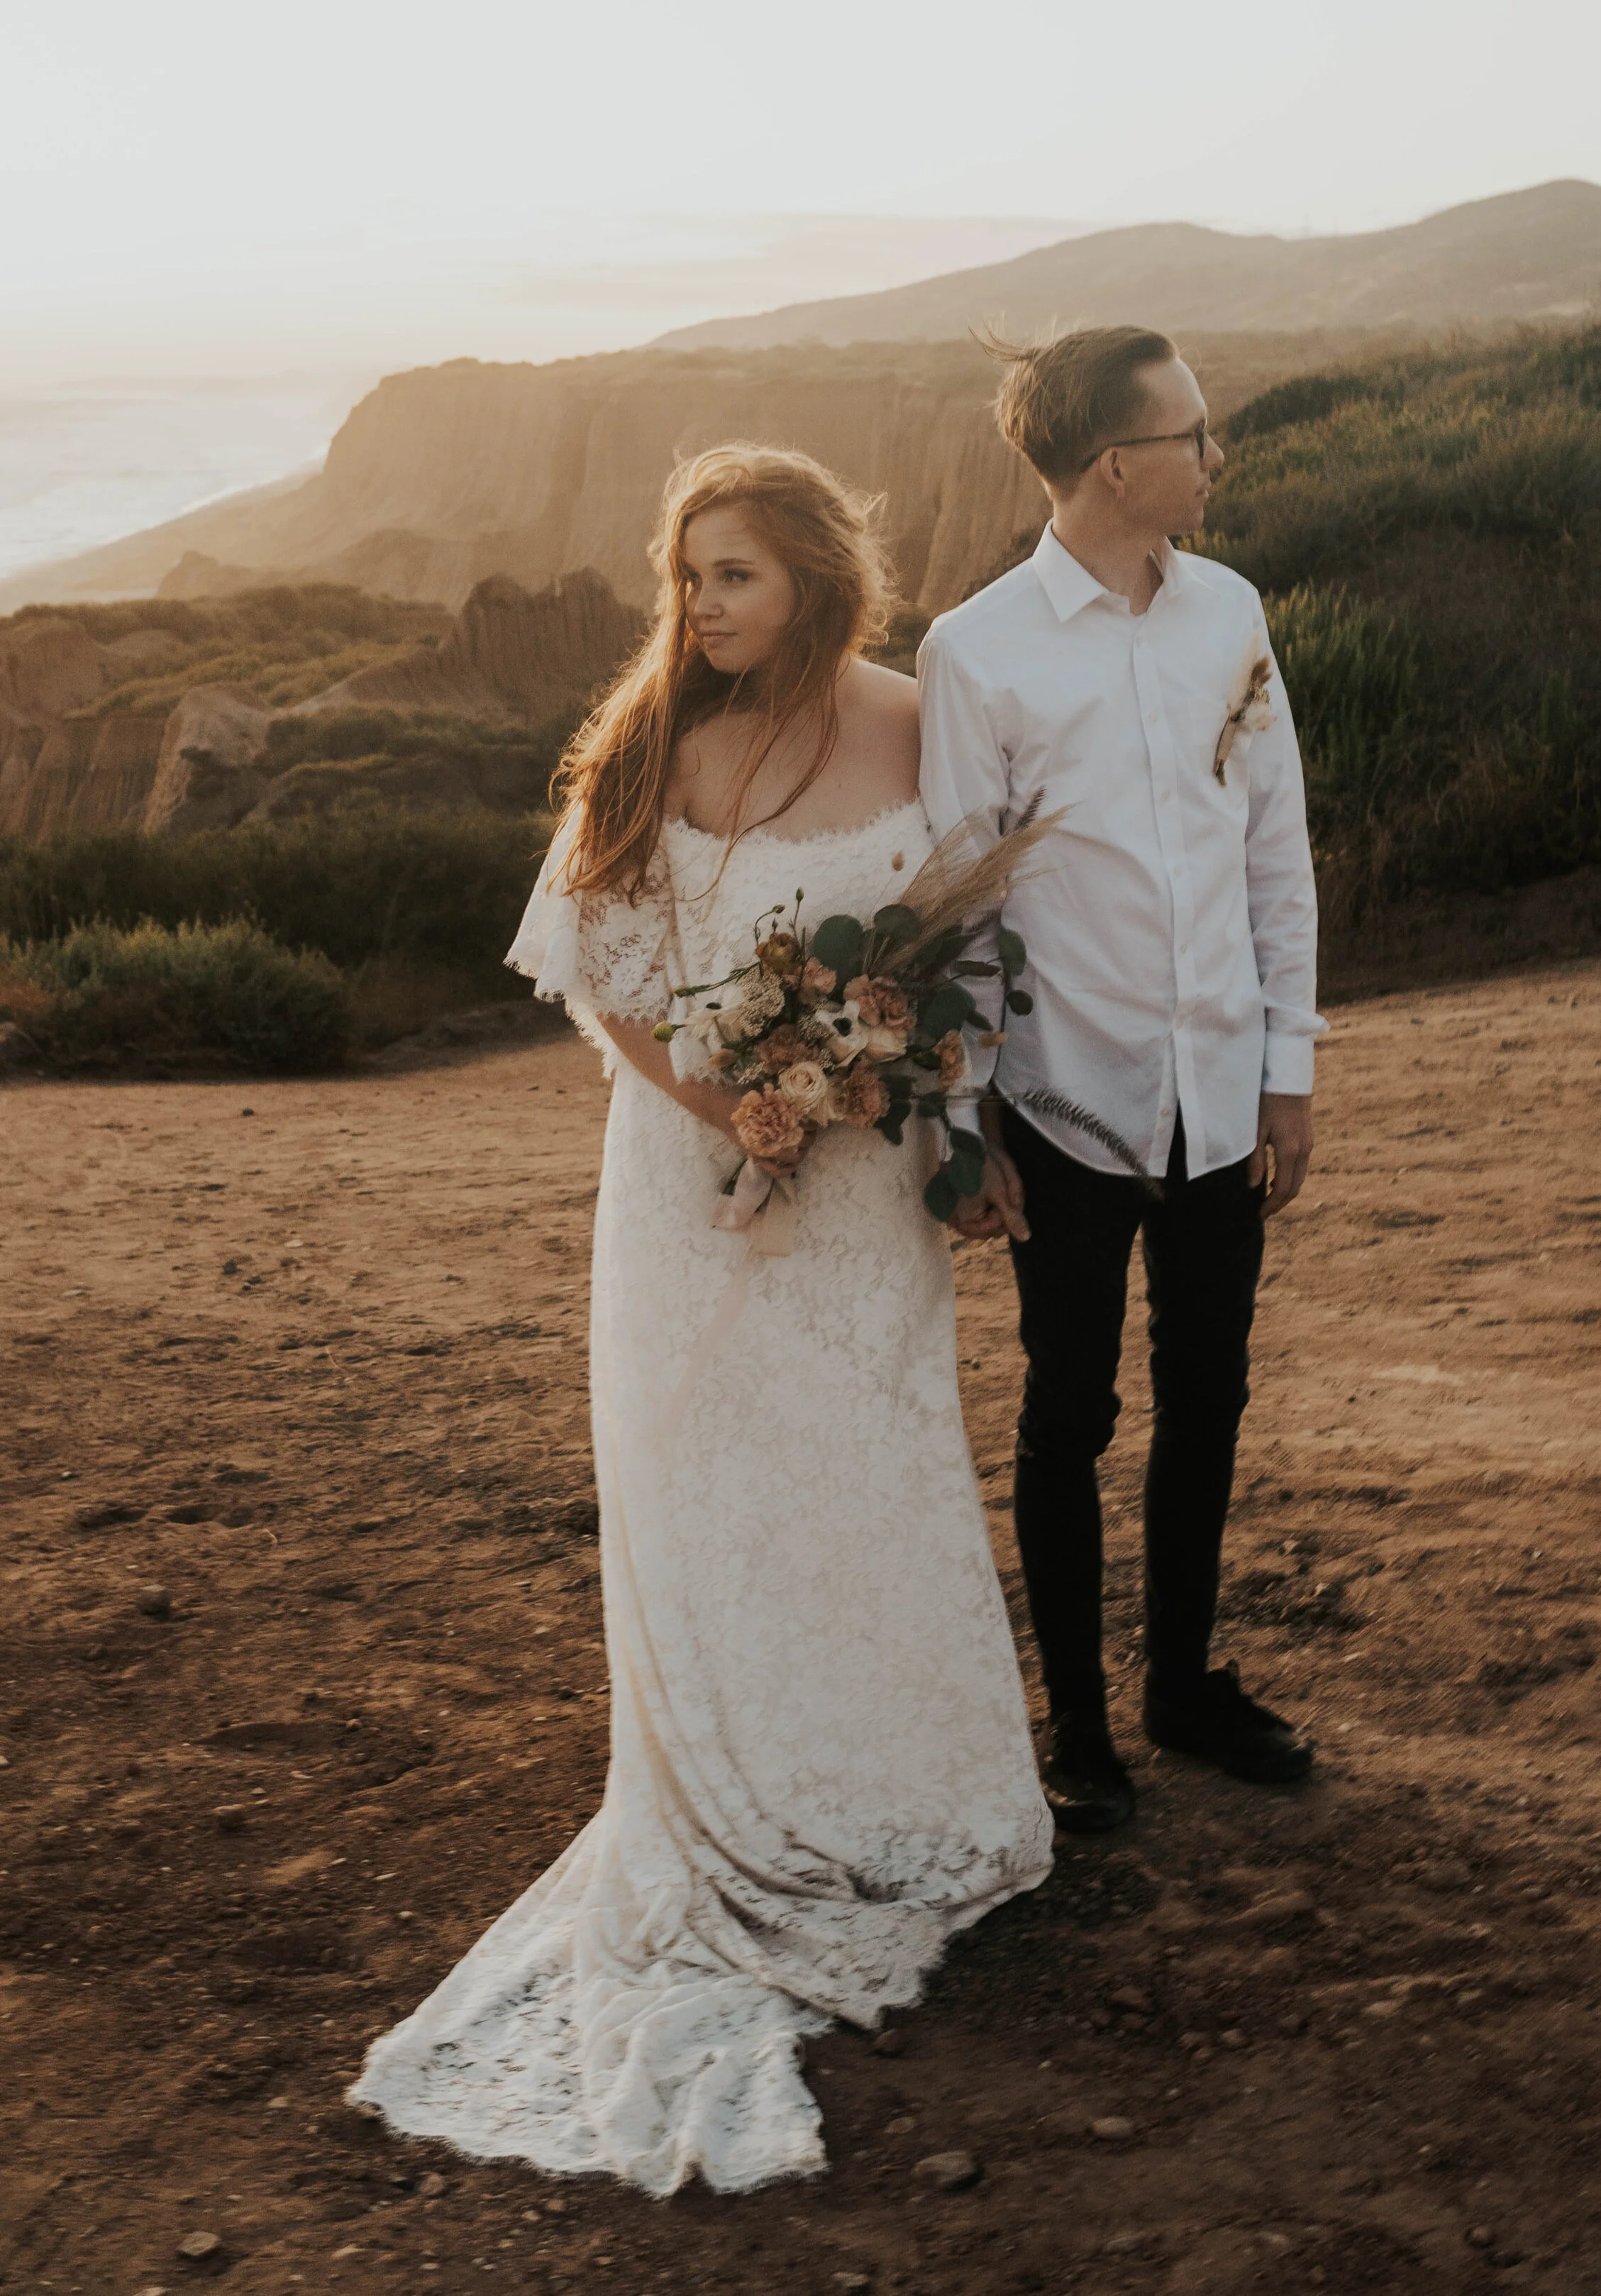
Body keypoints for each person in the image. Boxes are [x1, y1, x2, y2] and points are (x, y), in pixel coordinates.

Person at [348, 445, 1051, 2195]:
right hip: (691, 1185)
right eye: (685, 581)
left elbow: (964, 949)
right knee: (707, 1492)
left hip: (868, 1194)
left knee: (867, 1475)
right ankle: (729, 1810)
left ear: (814, 575)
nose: (699, 610)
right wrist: (731, 1106)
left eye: (730, 576)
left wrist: (910, 1099)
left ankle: (897, 1786)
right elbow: (604, 979)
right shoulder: (647, 743)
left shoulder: (919, 716)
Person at [918, 326, 1326, 1834]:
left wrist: (1285, 1069)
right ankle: (1077, 1727)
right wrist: (961, 1124)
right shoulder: (976, 648)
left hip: (1219, 1090)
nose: (1214, 458)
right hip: (1065, 1104)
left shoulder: (1230, 610)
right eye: (1194, 435)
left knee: (1207, 1396)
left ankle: (1180, 1688)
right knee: (1066, 1413)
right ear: (1115, 463)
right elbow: (959, 898)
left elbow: (1270, 848)